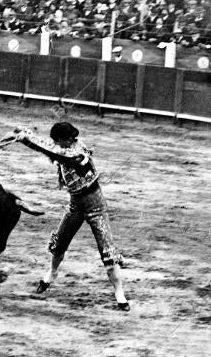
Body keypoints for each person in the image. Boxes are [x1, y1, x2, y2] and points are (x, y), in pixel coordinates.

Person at [10, 122, 130, 311]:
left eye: (59, 141)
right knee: (59, 244)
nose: (57, 144)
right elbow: (50, 147)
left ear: (67, 139)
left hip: (96, 208)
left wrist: (27, 141)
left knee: (108, 254)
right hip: (75, 206)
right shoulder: (65, 146)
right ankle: (52, 272)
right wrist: (25, 134)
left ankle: (119, 293)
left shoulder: (76, 153)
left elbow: (54, 153)